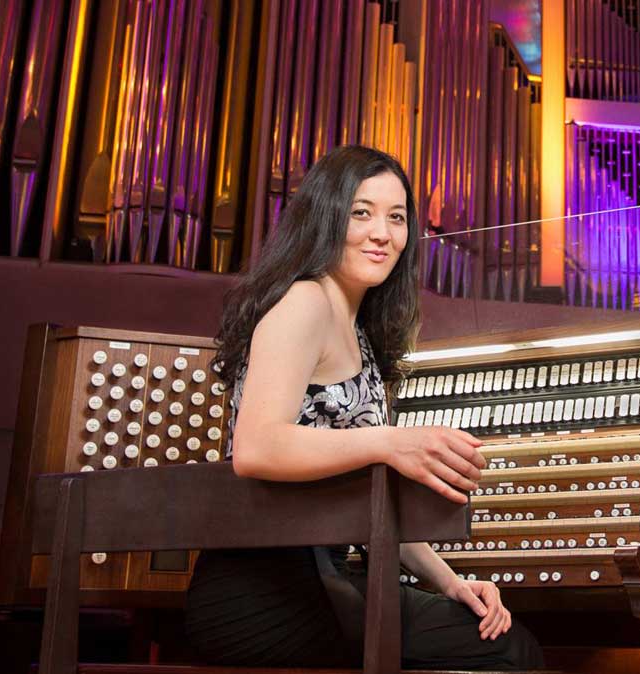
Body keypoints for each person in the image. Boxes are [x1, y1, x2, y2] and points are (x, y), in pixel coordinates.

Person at [185, 145, 544, 670]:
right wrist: (390, 441)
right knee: (510, 652)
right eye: (362, 212)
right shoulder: (305, 301)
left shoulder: (358, 331)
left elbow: (366, 504)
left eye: (396, 218)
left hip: (320, 582)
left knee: (497, 637)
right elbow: (257, 446)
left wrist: (451, 581)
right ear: (326, 217)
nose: (383, 233)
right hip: (261, 594)